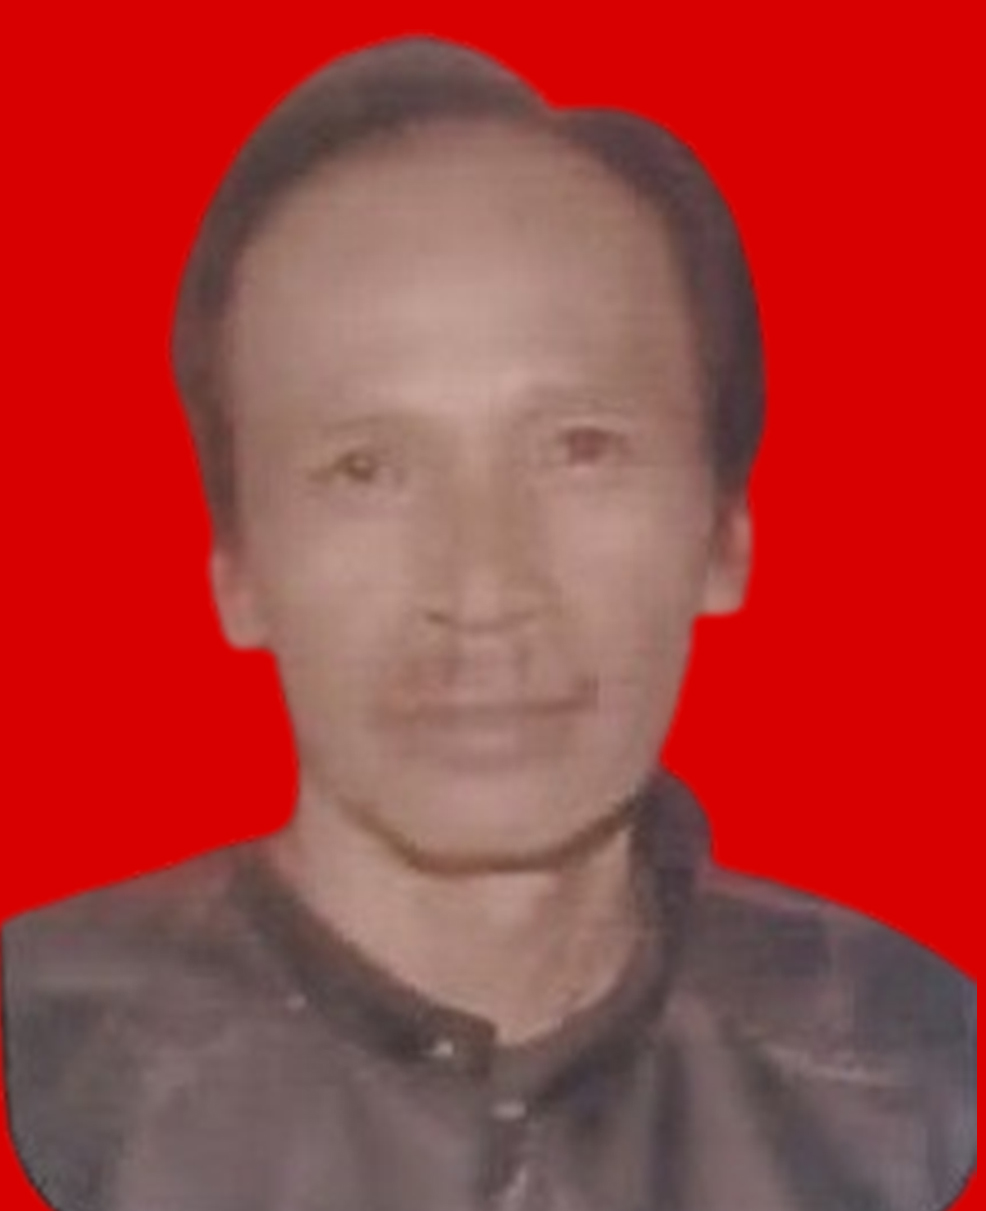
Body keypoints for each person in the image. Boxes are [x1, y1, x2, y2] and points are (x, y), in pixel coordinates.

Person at [2, 36, 975, 1211]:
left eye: (579, 449)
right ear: (236, 568)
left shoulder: (900, 1064)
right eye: (365, 468)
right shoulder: (60, 1053)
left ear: (725, 533)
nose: (481, 587)